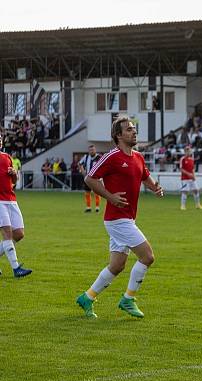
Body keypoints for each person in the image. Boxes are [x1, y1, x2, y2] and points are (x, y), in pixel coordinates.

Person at [75, 115, 164, 319]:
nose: (134, 132)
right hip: (117, 219)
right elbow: (90, 178)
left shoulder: (138, 157)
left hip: (128, 218)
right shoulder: (111, 157)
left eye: (134, 128)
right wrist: (110, 197)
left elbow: (146, 178)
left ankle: (87, 297)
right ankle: (128, 299)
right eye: (129, 129)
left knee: (117, 266)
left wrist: (156, 188)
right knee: (147, 256)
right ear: (118, 135)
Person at [0, 135, 33, 278]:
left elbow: (14, 180)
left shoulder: (7, 157)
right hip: (0, 200)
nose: (0, 140)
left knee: (19, 234)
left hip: (11, 199)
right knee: (7, 233)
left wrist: (14, 174)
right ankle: (16, 269)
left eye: (0, 138)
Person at [79, 144, 102, 212]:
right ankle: (88, 207)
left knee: (97, 192)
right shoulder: (86, 157)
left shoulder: (99, 157)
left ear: (95, 150)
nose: (91, 151)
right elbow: (80, 164)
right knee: (87, 192)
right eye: (90, 150)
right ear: (88, 151)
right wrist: (83, 171)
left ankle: (97, 207)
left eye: (93, 150)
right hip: (88, 178)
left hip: (96, 178)